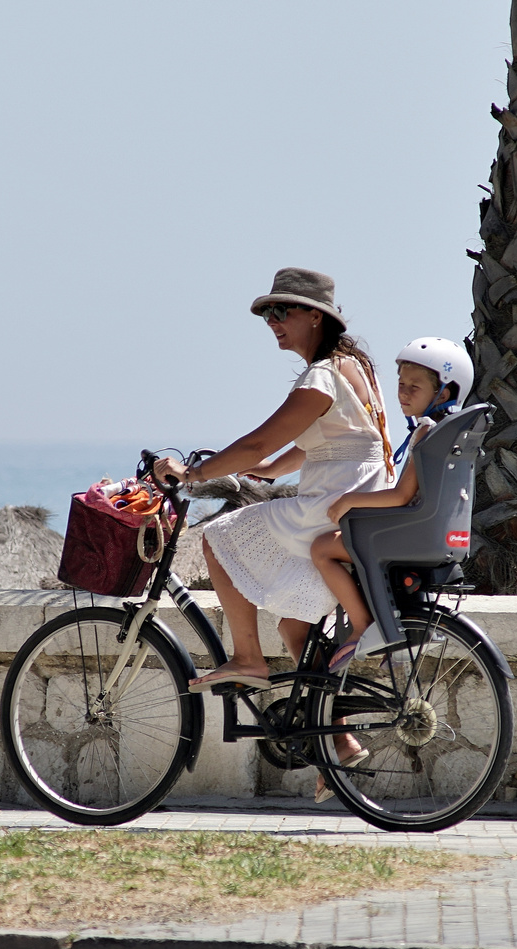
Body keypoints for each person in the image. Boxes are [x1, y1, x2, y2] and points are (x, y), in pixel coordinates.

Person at [152, 268, 394, 693]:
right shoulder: (354, 367)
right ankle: (336, 741)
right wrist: (272, 470)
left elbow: (257, 443)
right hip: (358, 506)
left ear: (316, 316)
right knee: (293, 627)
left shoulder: (322, 376)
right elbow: (332, 441)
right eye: (268, 315)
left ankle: (247, 659)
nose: (273, 322)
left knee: (219, 536)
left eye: (281, 311)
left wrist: (191, 474)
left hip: (329, 507)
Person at [311, 337, 474, 671]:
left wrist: (347, 501)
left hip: (414, 534)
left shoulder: (426, 432)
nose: (403, 393)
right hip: (438, 535)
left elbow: (401, 496)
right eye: (401, 384)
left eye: (415, 386)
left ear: (443, 394)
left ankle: (362, 627)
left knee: (322, 547)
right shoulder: (450, 432)